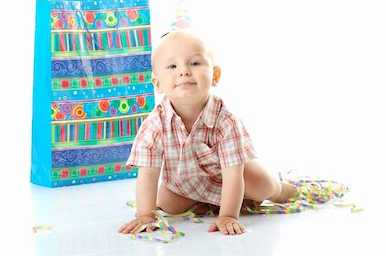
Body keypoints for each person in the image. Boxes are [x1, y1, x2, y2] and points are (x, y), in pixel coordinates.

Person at [118, 30, 296, 236]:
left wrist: (228, 215)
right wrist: (144, 215)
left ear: (215, 75)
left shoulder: (226, 121)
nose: (184, 71)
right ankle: (208, 202)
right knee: (168, 204)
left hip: (232, 175)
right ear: (157, 83)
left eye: (194, 63)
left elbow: (233, 174)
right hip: (187, 181)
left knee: (262, 186)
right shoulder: (154, 124)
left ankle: (280, 189)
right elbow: (148, 174)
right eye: (172, 66)